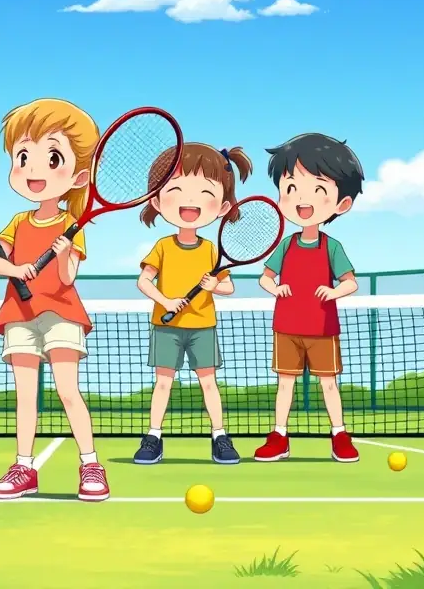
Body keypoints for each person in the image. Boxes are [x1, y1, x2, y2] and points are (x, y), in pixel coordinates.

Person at [0, 98, 109, 501]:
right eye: (23, 156)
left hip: (61, 314)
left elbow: (70, 278)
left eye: (52, 157)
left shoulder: (73, 225)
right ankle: (24, 466)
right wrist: (16, 269)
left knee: (67, 391)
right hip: (18, 314)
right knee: (25, 395)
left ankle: (90, 464)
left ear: (77, 176)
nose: (33, 168)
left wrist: (65, 252)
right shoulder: (19, 222)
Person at [133, 143, 252, 465]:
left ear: (223, 206)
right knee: (162, 384)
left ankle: (220, 437)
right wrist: (165, 299)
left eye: (204, 191)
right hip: (166, 326)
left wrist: (216, 285)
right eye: (177, 188)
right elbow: (143, 281)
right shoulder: (162, 246)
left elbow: (228, 286)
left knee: (208, 383)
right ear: (157, 200)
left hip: (202, 326)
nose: (190, 200)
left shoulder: (213, 250)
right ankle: (153, 437)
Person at [254, 133, 364, 463]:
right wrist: (275, 288)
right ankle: (279, 437)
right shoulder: (286, 245)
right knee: (284, 385)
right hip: (287, 326)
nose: (303, 199)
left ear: (341, 203)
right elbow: (265, 277)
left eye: (318, 189)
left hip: (322, 329)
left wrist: (333, 291)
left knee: (328, 385)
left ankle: (339, 435)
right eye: (291, 188)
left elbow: (351, 283)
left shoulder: (331, 246)